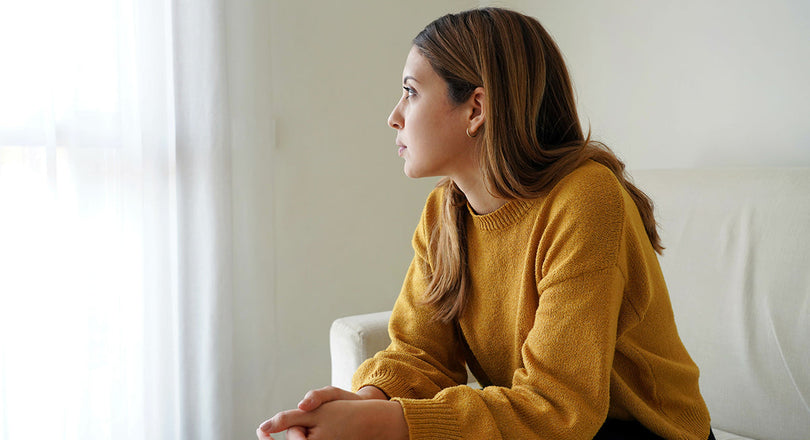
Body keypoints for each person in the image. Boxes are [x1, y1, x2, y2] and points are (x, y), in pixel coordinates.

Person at [258, 7, 714, 440]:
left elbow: (560, 409)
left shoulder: (586, 199)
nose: (393, 116)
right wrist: (365, 402)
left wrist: (386, 424)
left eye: (411, 91)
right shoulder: (445, 213)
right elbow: (421, 353)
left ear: (476, 109)